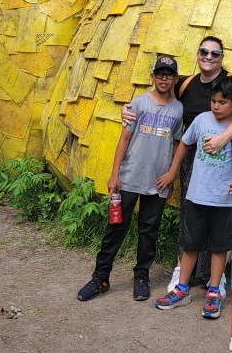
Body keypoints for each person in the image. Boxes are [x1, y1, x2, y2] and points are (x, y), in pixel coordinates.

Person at [122, 36, 232, 295]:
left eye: (215, 53)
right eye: (204, 51)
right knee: (192, 215)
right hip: (194, 157)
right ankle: (183, 271)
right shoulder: (185, 83)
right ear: (197, 54)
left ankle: (213, 278)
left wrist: (221, 139)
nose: (209, 56)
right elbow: (158, 96)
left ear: (222, 57)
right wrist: (128, 110)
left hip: (227, 155)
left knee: (221, 219)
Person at [77, 57, 184, 302]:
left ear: (175, 79)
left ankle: (141, 275)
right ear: (152, 77)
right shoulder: (138, 103)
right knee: (115, 228)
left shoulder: (178, 110)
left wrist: (172, 173)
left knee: (149, 231)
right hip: (130, 177)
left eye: (169, 75)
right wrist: (115, 174)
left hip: (158, 182)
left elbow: (178, 143)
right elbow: (124, 139)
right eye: (160, 74)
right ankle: (100, 277)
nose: (164, 79)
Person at [153, 75, 232, 319]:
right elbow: (185, 144)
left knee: (219, 247)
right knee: (190, 244)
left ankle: (213, 291)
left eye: (222, 102)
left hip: (222, 200)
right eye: (213, 101)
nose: (216, 106)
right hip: (196, 196)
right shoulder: (200, 121)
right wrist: (172, 170)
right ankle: (182, 288)